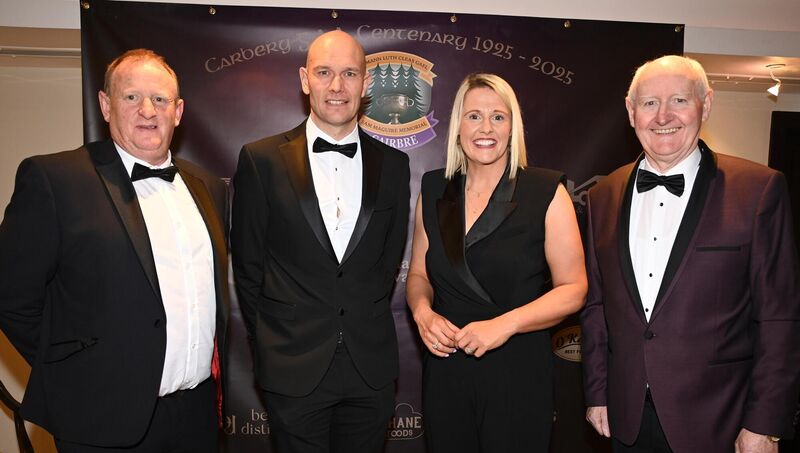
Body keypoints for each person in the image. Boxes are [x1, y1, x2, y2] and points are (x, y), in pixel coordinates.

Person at [0, 49, 229, 452]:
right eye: (131, 96)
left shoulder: (208, 186)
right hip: (99, 416)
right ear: (106, 105)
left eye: (160, 99)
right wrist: (76, 368)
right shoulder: (56, 179)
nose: (147, 110)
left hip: (196, 417)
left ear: (178, 112)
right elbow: (11, 296)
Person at [581, 55, 800, 452]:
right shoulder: (603, 196)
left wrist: (765, 424)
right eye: (649, 103)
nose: (663, 116)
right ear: (631, 112)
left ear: (706, 104)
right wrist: (597, 393)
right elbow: (596, 308)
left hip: (719, 420)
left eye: (679, 100)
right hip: (626, 418)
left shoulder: (758, 190)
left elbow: (779, 317)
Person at [231, 30, 409, 453]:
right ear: (304, 79)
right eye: (324, 72)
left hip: (370, 369)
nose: (336, 86)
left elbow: (387, 264)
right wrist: (273, 343)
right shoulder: (261, 160)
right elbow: (249, 268)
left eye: (350, 73)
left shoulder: (394, 165)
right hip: (292, 367)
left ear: (366, 84)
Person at [406, 73, 587, 452]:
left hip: (517, 371)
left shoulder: (546, 191)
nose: (486, 128)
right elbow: (419, 273)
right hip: (447, 370)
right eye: (474, 116)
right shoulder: (434, 189)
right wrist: (423, 313)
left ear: (512, 127)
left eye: (498, 117)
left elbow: (574, 289)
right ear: (458, 127)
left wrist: (505, 325)